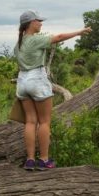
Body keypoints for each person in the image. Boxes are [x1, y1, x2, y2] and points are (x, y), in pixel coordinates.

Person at [15, 10, 91, 171]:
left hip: (22, 82)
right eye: (38, 21)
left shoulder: (19, 44)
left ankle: (29, 160)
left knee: (30, 121)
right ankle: (43, 159)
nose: (41, 23)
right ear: (30, 23)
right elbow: (58, 37)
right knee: (44, 122)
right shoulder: (35, 40)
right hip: (37, 79)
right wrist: (79, 32)